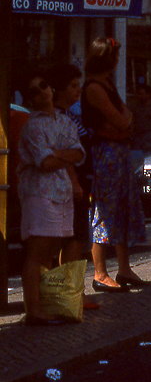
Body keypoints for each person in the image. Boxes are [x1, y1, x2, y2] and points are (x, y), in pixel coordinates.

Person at [17, 72, 85, 325]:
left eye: (43, 85)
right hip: (39, 193)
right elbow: (44, 162)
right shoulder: (32, 126)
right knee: (37, 251)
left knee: (51, 251)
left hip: (62, 191)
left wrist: (60, 154)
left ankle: (47, 304)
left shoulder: (65, 122)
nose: (41, 92)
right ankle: (33, 309)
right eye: (34, 90)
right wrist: (62, 154)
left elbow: (79, 153)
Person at [82, 37, 149, 291]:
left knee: (122, 209)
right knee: (105, 211)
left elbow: (125, 119)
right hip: (107, 156)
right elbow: (122, 120)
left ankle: (124, 269)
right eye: (115, 56)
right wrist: (122, 125)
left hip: (118, 153)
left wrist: (122, 124)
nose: (117, 60)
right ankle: (100, 273)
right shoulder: (95, 88)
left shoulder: (105, 84)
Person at [46, 63, 99, 311]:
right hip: (69, 185)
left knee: (73, 238)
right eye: (73, 86)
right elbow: (66, 154)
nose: (78, 90)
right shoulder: (59, 118)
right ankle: (70, 294)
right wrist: (75, 182)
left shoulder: (68, 115)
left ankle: (69, 292)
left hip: (75, 183)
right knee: (73, 240)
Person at [128, 83, 151, 151]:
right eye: (138, 94)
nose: (139, 96)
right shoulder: (135, 106)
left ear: (148, 95)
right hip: (137, 137)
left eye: (141, 94)